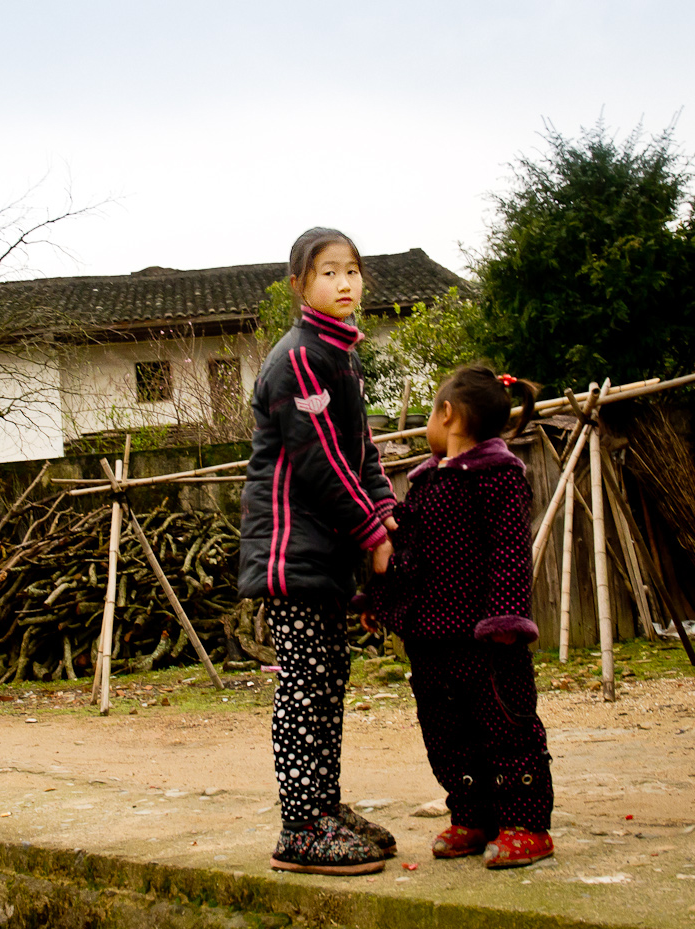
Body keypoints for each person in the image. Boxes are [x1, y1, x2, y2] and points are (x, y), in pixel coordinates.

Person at [237, 227, 400, 876]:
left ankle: (324, 808)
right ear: (300, 285)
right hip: (291, 555)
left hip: (322, 553)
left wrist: (385, 508)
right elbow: (321, 461)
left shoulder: (341, 356)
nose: (345, 283)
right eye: (329, 272)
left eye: (353, 271)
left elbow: (363, 453)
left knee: (329, 678)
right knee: (307, 685)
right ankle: (301, 824)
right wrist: (373, 532)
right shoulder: (300, 357)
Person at [363, 363, 554, 869]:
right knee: (446, 732)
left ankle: (526, 825)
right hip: (430, 639)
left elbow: (511, 551)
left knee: (506, 729)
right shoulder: (427, 482)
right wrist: (377, 601)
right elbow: (407, 553)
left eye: (430, 410)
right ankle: (472, 814)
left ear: (447, 415)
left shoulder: (497, 476)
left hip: (482, 640)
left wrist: (507, 621)